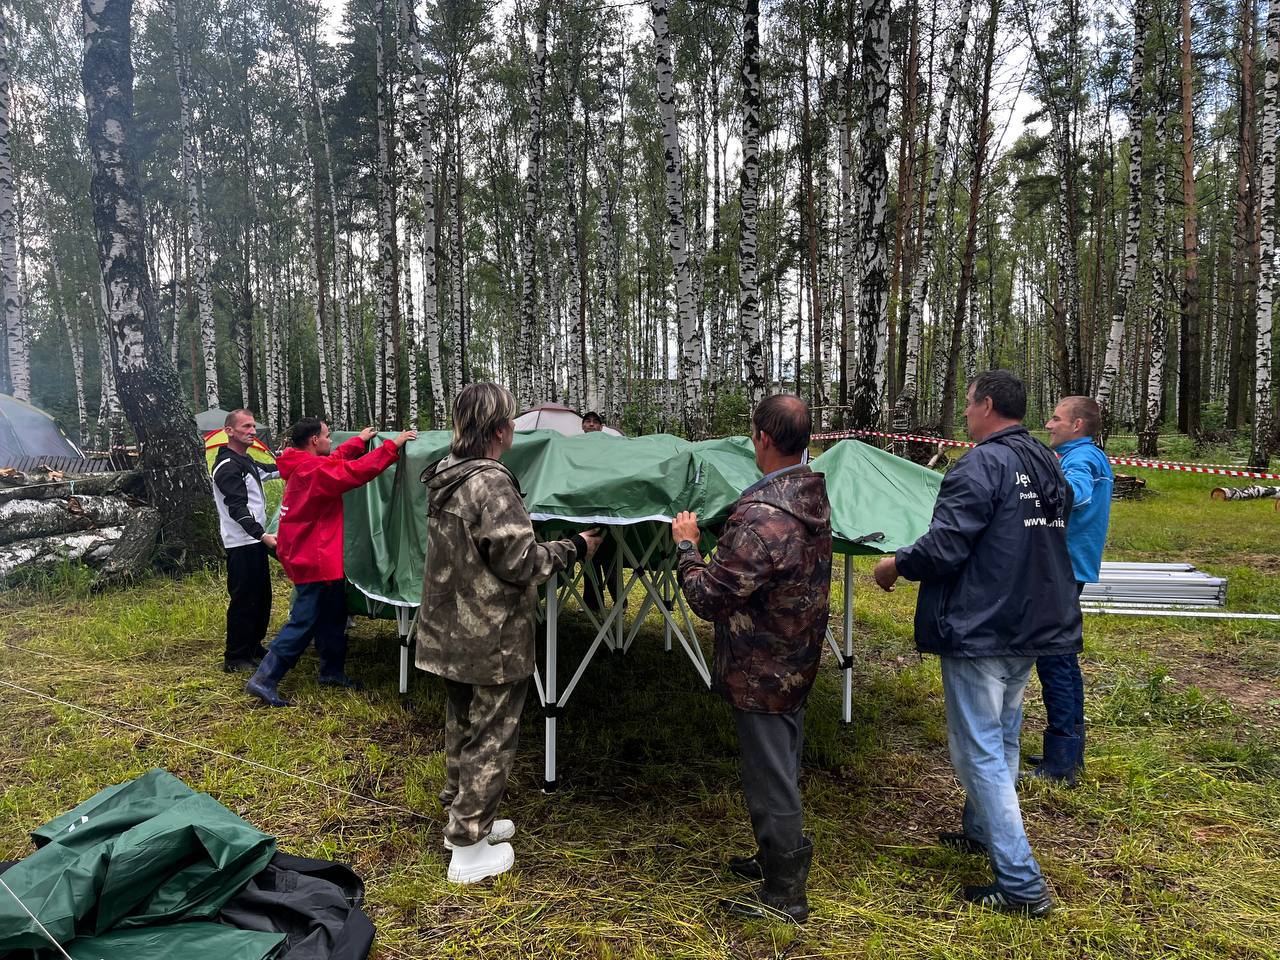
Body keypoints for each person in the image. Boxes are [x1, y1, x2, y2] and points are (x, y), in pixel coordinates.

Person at [872, 370, 1080, 918]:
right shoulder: (1044, 460)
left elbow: (945, 546)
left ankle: (1022, 885)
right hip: (1030, 622)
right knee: (1005, 738)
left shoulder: (981, 463)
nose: (965, 414)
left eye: (968, 405)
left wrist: (896, 564)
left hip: (984, 625)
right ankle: (982, 832)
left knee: (980, 753)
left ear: (987, 405)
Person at [415, 383, 602, 885]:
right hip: (489, 637)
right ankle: (469, 850)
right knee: (492, 737)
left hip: (446, 629)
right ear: (501, 430)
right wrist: (575, 548)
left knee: (462, 727)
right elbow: (522, 561)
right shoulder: (491, 483)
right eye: (512, 421)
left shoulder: (446, 477)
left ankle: (462, 819)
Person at [670, 394, 831, 924]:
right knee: (779, 763)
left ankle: (786, 894)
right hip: (796, 657)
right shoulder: (808, 497)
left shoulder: (763, 518)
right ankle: (772, 858)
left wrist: (688, 546)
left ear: (761, 437)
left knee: (772, 776)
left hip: (764, 669)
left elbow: (708, 598)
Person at [245, 419, 416, 708]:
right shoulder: (313, 470)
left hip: (316, 553)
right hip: (314, 558)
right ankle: (265, 678)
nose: (330, 440)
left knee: (333, 615)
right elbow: (353, 472)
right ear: (314, 440)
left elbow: (336, 460)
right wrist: (392, 447)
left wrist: (359, 441)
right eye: (326, 436)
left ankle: (332, 672)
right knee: (304, 620)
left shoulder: (304, 463)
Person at [1034, 395, 1114, 784]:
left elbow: (1075, 493)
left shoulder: (1080, 459)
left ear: (1077, 425)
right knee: (1059, 657)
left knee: (1055, 658)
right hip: (1067, 568)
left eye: (1056, 418)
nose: (1049, 424)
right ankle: (1067, 751)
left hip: (1061, 570)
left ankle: (1062, 762)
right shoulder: (1086, 455)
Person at [211, 409, 277, 673]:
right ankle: (235, 657)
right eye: (246, 427)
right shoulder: (227, 467)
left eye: (253, 427)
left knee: (261, 597)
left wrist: (304, 462)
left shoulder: (245, 460)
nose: (252, 431)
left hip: (255, 541)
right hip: (241, 543)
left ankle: (253, 645)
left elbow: (273, 470)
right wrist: (261, 534)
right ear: (229, 431)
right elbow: (236, 508)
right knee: (244, 599)